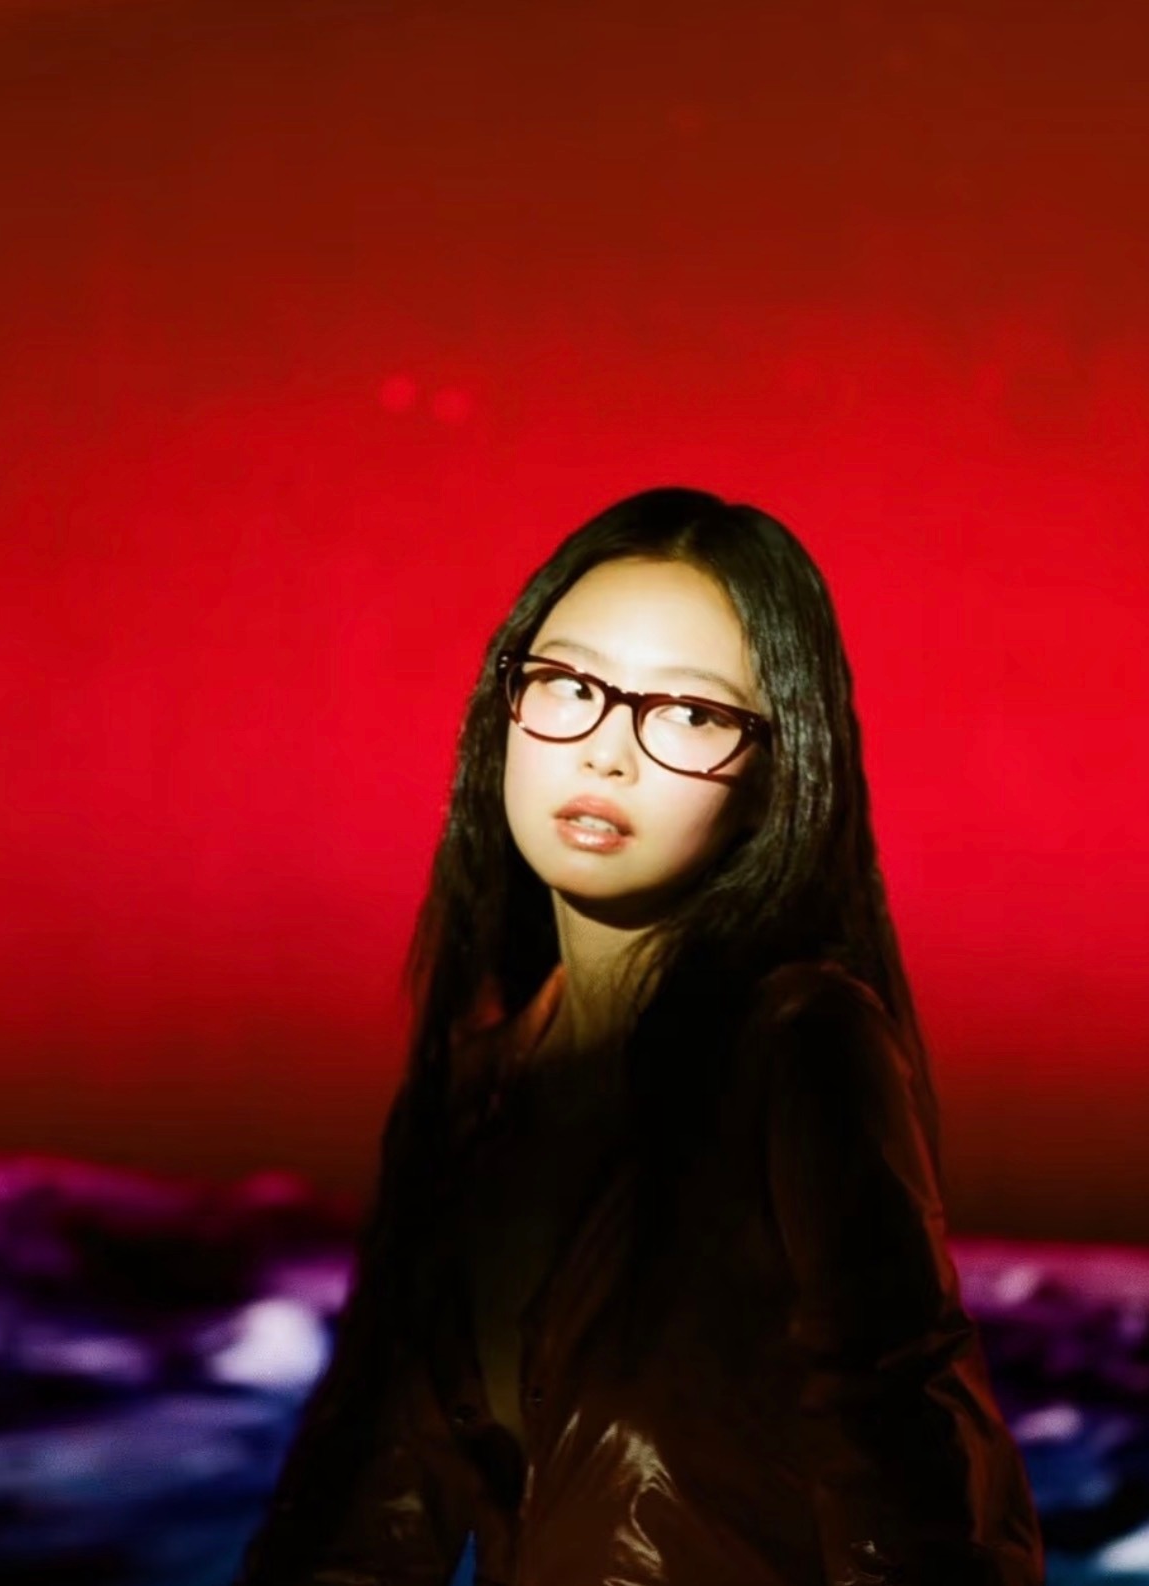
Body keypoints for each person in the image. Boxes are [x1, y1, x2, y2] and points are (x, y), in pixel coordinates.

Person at [232, 487, 1045, 1586]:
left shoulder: (803, 1044)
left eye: (692, 714)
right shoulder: (472, 1090)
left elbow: (911, 1480)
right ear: (504, 709)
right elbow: (368, 1514)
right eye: (570, 686)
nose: (606, 752)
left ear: (775, 774)